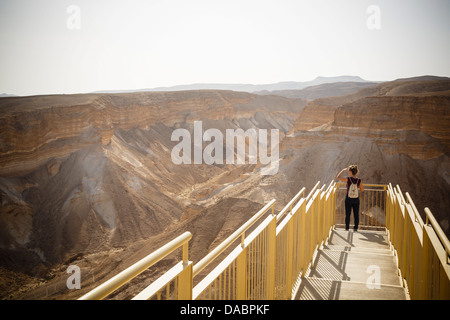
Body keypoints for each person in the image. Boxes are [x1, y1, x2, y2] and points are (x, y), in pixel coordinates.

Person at [336, 165, 364, 231]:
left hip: (348, 198)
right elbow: (362, 189)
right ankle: (355, 228)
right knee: (356, 214)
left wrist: (343, 170)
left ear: (351, 172)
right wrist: (356, 188)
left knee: (348, 213)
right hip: (356, 199)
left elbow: (338, 177)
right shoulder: (358, 180)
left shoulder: (348, 179)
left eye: (349, 171)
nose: (348, 172)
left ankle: (347, 228)